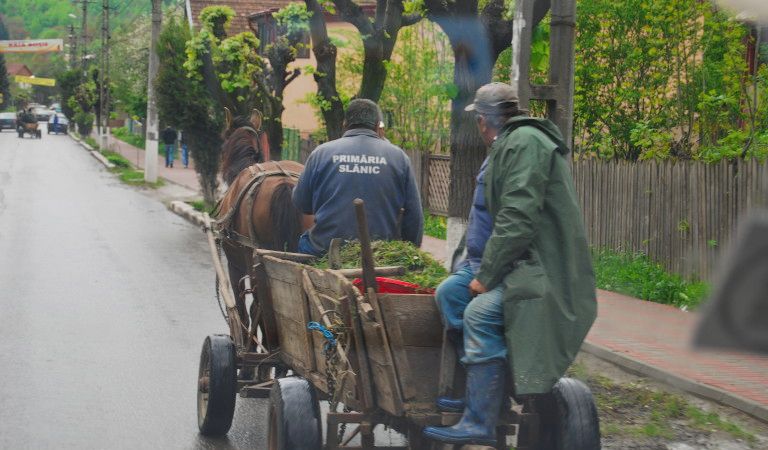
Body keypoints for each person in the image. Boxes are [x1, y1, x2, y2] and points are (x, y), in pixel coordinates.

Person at [423, 82, 597, 446]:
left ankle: (480, 419)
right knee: (450, 295)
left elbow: (518, 218)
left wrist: (486, 277)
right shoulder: (508, 145)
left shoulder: (524, 144)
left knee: (479, 313)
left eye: (479, 123)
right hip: (507, 263)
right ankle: (479, 392)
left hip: (537, 269)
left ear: (485, 121)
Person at [292, 99, 424, 256]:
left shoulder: (321, 153)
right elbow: (414, 218)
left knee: (302, 241)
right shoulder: (399, 158)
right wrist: (408, 251)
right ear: (377, 126)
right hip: (381, 255)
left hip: (324, 251)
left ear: (344, 124)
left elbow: (301, 203)